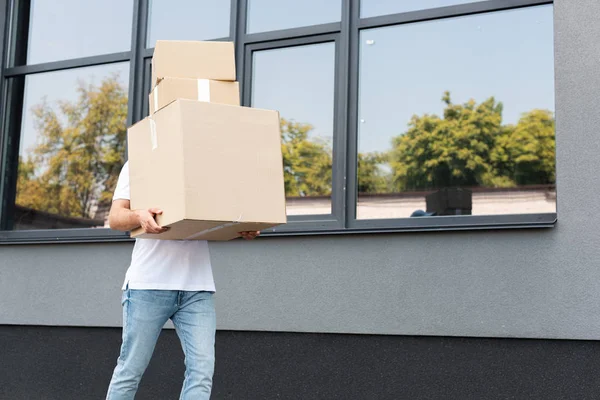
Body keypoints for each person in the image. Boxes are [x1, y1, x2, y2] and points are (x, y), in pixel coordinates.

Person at [105, 161, 259, 399]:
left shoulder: (208, 162)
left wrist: (241, 224)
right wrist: (139, 215)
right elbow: (115, 218)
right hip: (148, 286)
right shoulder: (141, 161)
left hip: (197, 288)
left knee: (202, 372)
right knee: (131, 370)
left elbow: (219, 214)